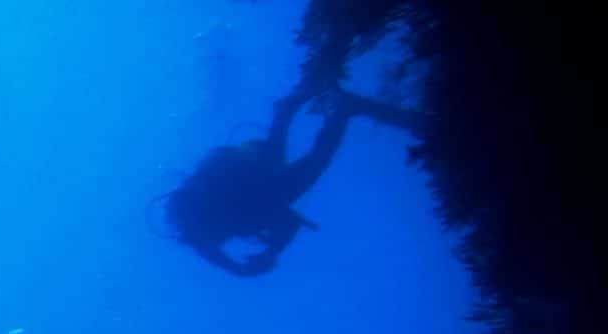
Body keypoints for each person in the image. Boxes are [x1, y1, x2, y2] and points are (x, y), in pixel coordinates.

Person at [162, 70, 425, 277]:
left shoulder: (213, 227)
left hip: (261, 185)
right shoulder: (204, 231)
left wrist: (271, 254)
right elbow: (229, 260)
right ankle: (290, 108)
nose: (221, 241)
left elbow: (283, 222)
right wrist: (264, 257)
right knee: (277, 154)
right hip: (255, 172)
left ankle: (341, 111)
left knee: (315, 161)